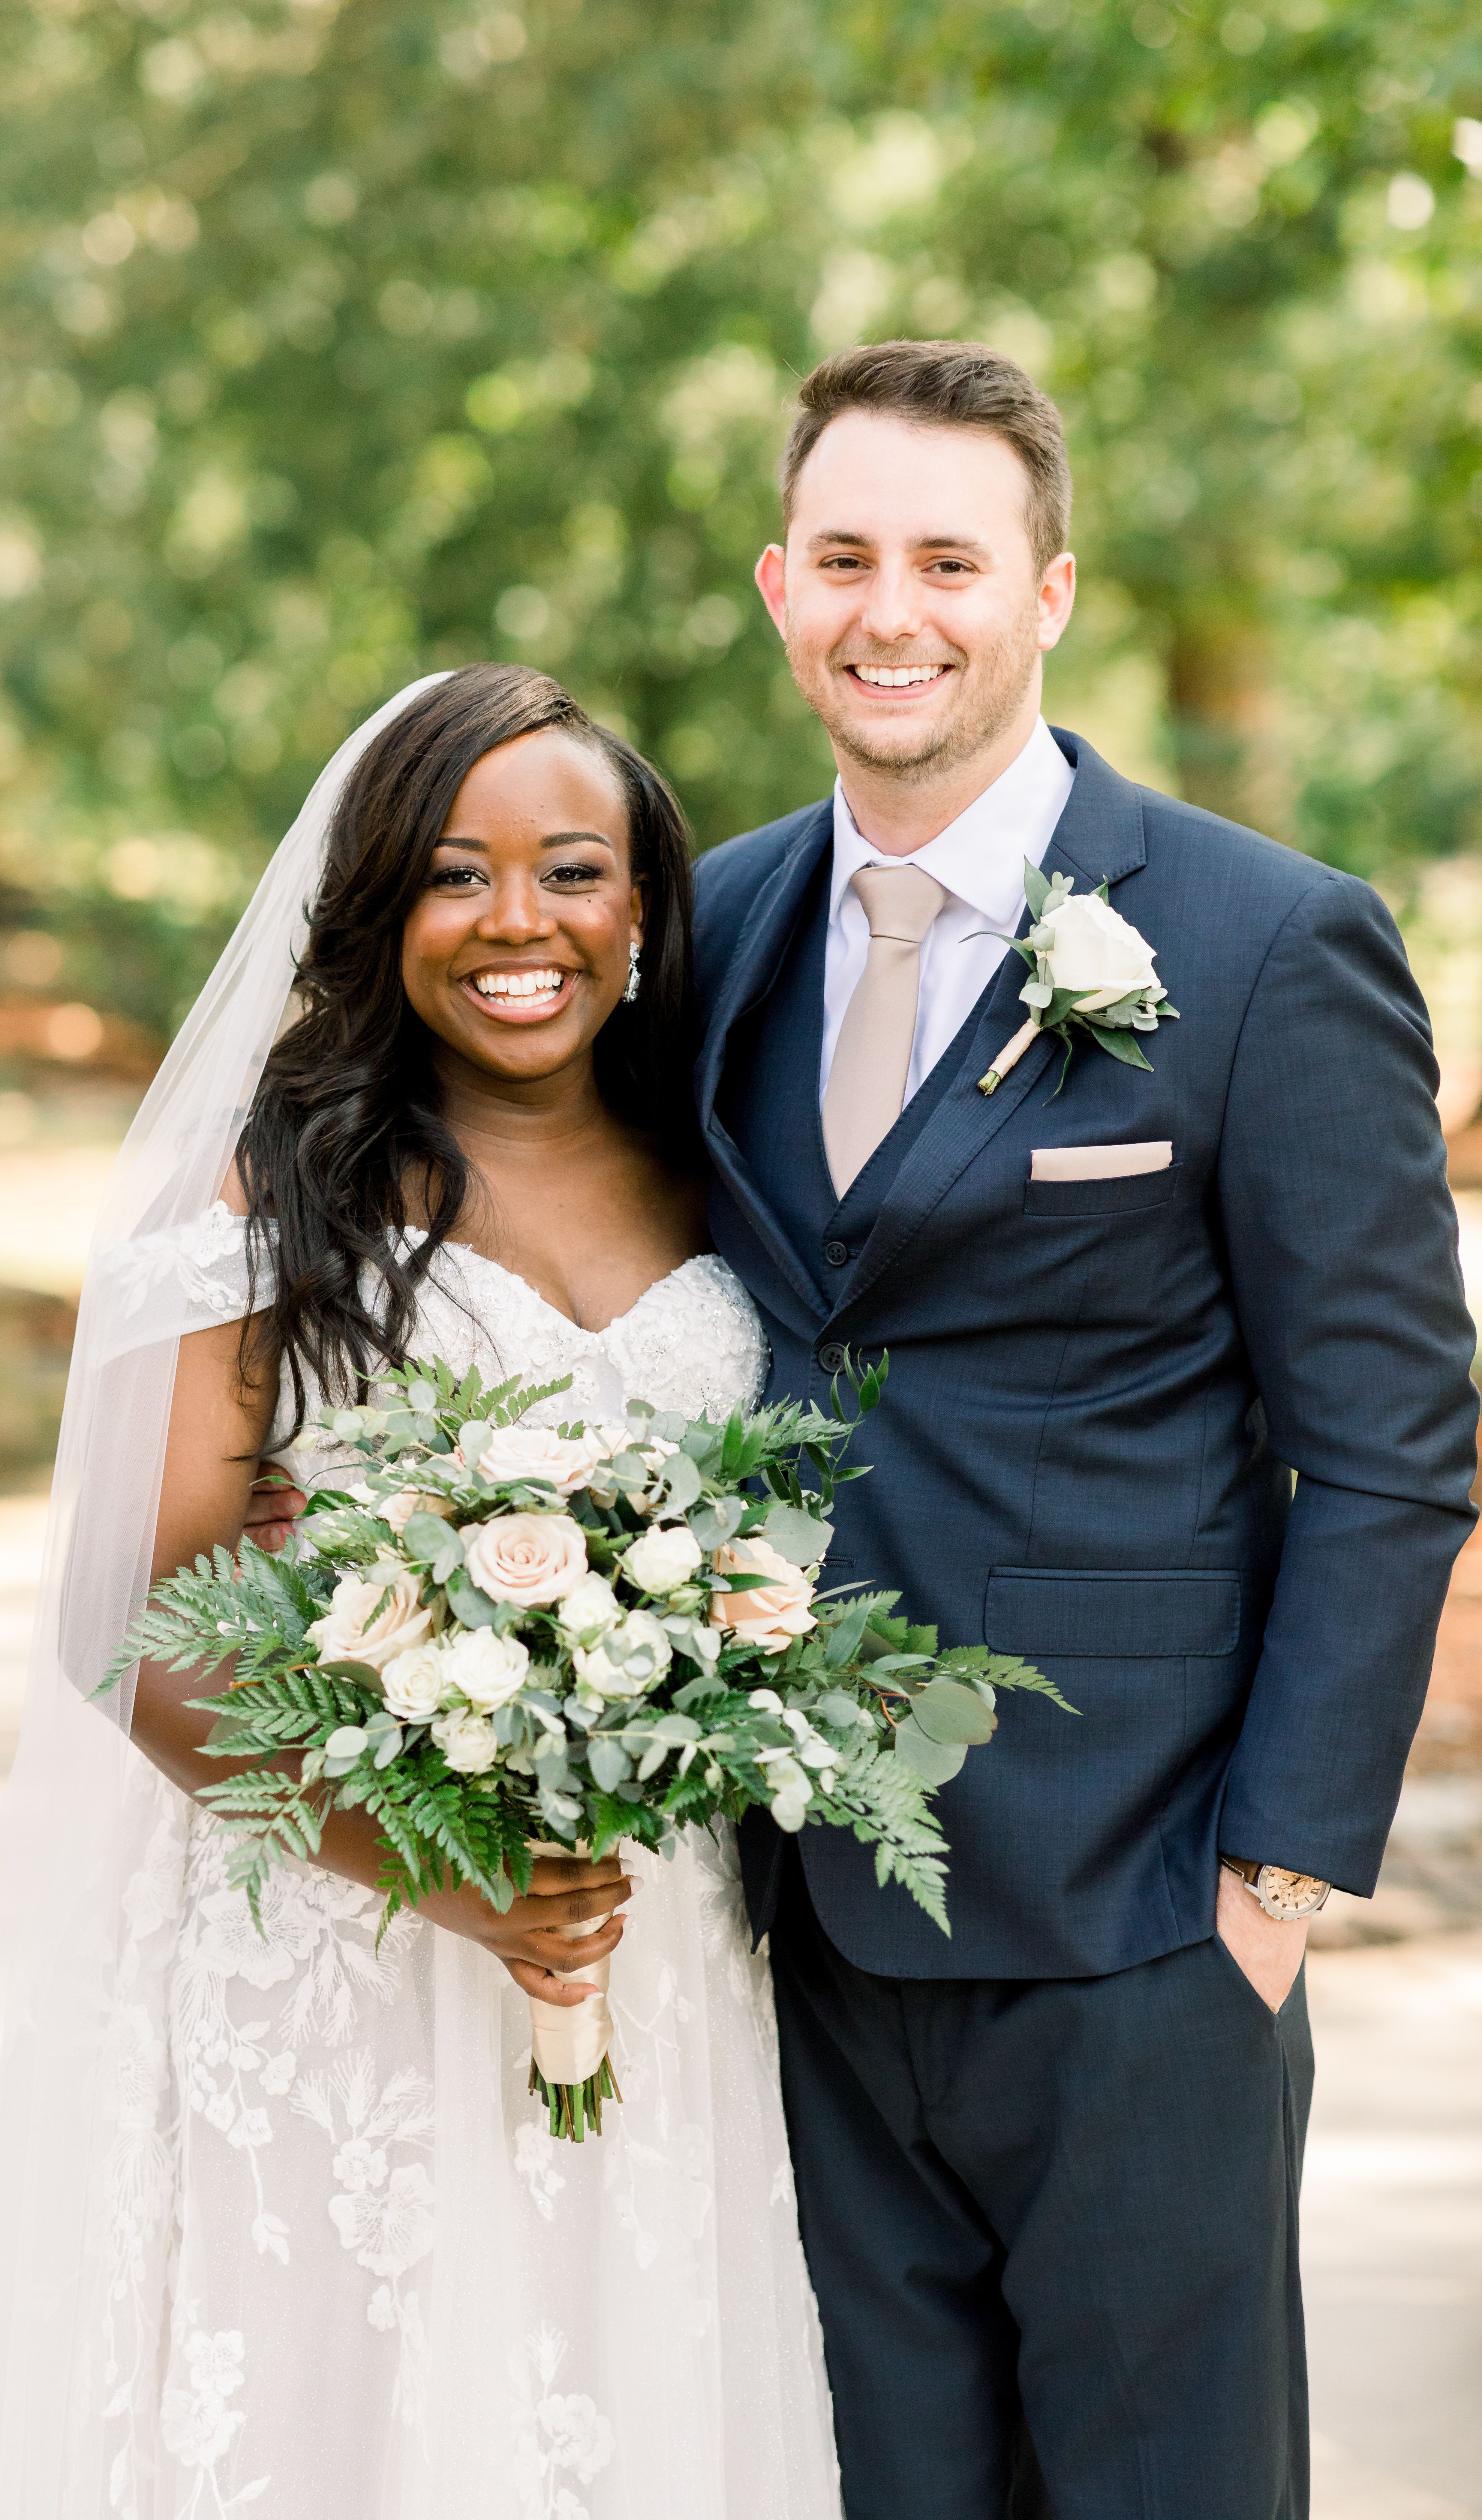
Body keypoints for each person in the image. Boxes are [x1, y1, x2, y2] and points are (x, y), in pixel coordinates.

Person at [0, 667, 840, 2520]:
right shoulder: (265, 1197)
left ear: (645, 905)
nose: (518, 923)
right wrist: (443, 1876)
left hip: (647, 1934)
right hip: (335, 1939)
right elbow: (129, 1613)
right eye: (455, 874)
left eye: (573, 870)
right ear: (374, 910)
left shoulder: (730, 1175)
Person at [690, 339, 1479, 2520]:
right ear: (779, 586)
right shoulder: (714, 925)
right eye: (845, 556)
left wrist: (1283, 1870)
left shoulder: (1261, 943)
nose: (893, 608)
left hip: (1143, 1912)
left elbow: (1399, 1437)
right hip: (794, 1913)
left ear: (1048, 593)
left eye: (951, 557)